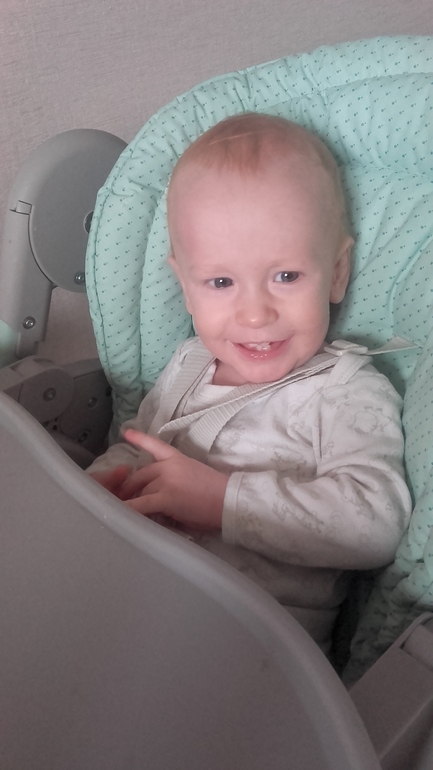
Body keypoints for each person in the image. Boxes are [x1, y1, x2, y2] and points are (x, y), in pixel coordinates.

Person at [88, 113, 411, 653]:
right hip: (134, 602)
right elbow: (141, 449)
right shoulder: (188, 363)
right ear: (185, 288)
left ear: (336, 272)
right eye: (220, 282)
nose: (256, 313)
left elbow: (377, 524)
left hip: (252, 649)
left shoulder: (346, 388)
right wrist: (101, 486)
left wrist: (225, 503)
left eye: (286, 276)